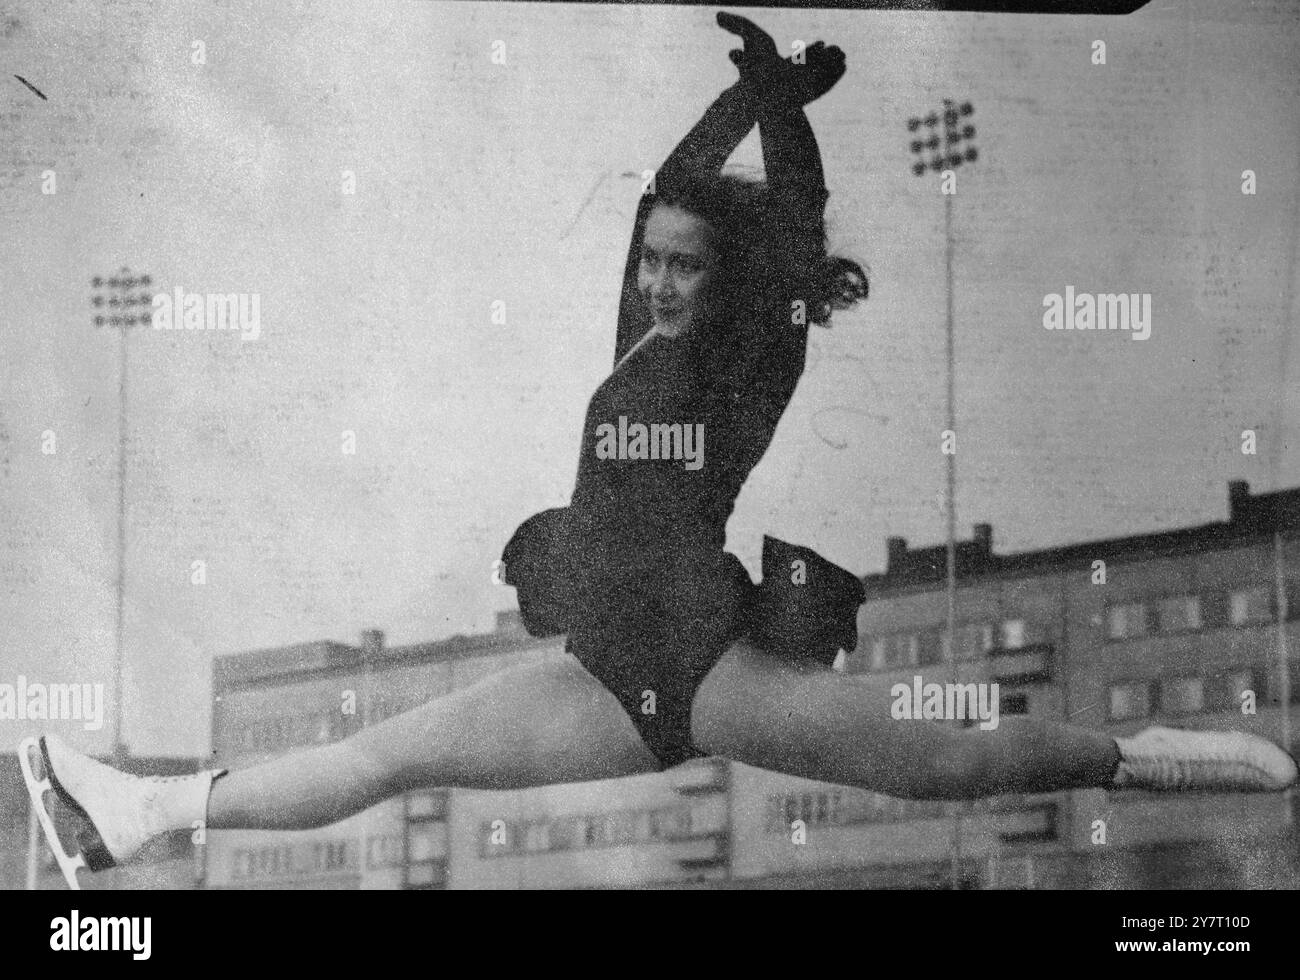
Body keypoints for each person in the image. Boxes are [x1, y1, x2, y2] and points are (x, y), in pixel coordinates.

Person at [21, 13, 1295, 890]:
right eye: (654, 262)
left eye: (689, 264)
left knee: (946, 764)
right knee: (377, 755)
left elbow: (788, 221)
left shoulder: (751, 365)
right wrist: (747, 91)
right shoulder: (637, 344)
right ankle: (136, 815)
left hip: (698, 664)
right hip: (598, 673)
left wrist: (785, 115)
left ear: (727, 277)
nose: (665, 278)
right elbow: (669, 189)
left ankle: (1163, 754)